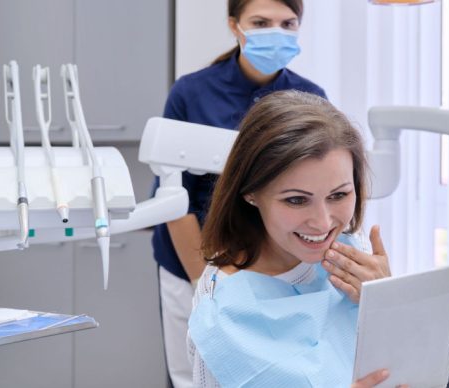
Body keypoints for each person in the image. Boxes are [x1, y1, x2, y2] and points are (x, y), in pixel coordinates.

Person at [187, 90, 449, 387]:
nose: (323, 222)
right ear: (250, 193)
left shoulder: (346, 243)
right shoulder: (222, 309)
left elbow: (390, 346)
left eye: (339, 195)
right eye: (296, 200)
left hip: (383, 373)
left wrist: (386, 296)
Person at [150, 1, 325, 386]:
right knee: (194, 376)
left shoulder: (310, 100)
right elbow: (173, 200)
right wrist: (205, 282)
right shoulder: (192, 93)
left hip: (276, 268)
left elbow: (319, 190)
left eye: (287, 23)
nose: (275, 32)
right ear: (235, 25)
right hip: (191, 260)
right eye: (261, 23)